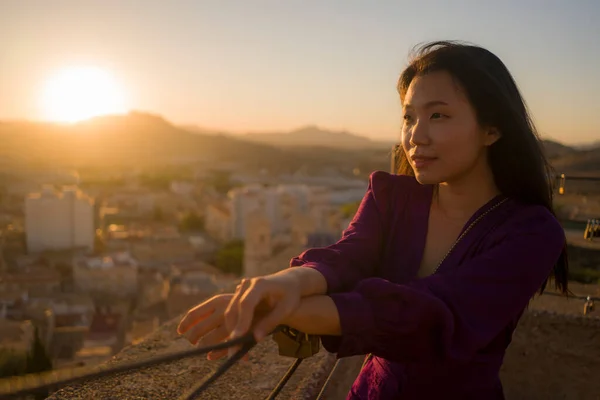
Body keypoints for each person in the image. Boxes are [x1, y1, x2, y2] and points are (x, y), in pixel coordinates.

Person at [177, 41, 569, 399]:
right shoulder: (392, 196)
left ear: (492, 127)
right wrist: (287, 282)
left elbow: (435, 316)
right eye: (409, 117)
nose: (416, 136)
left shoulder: (530, 232)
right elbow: (349, 255)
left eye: (438, 115)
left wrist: (288, 311)